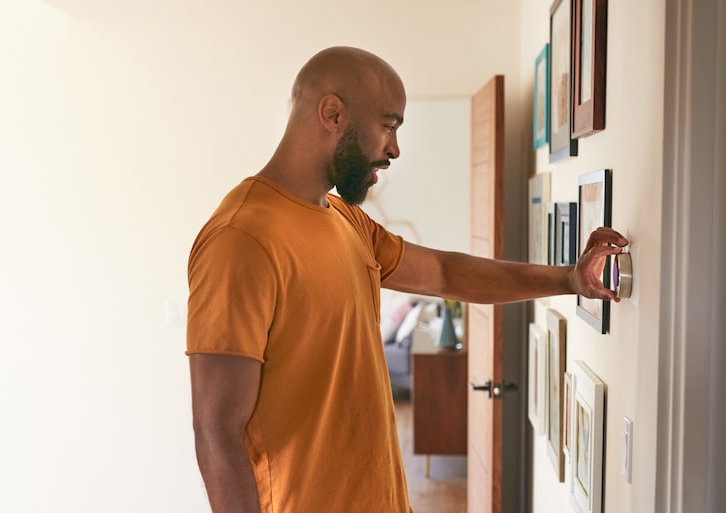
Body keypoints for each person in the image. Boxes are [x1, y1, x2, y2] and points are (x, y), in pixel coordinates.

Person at [186, 46, 628, 513]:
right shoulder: (241, 238)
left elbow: (445, 272)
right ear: (332, 113)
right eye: (389, 125)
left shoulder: (345, 220)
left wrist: (569, 279)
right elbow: (216, 432)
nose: (394, 148)